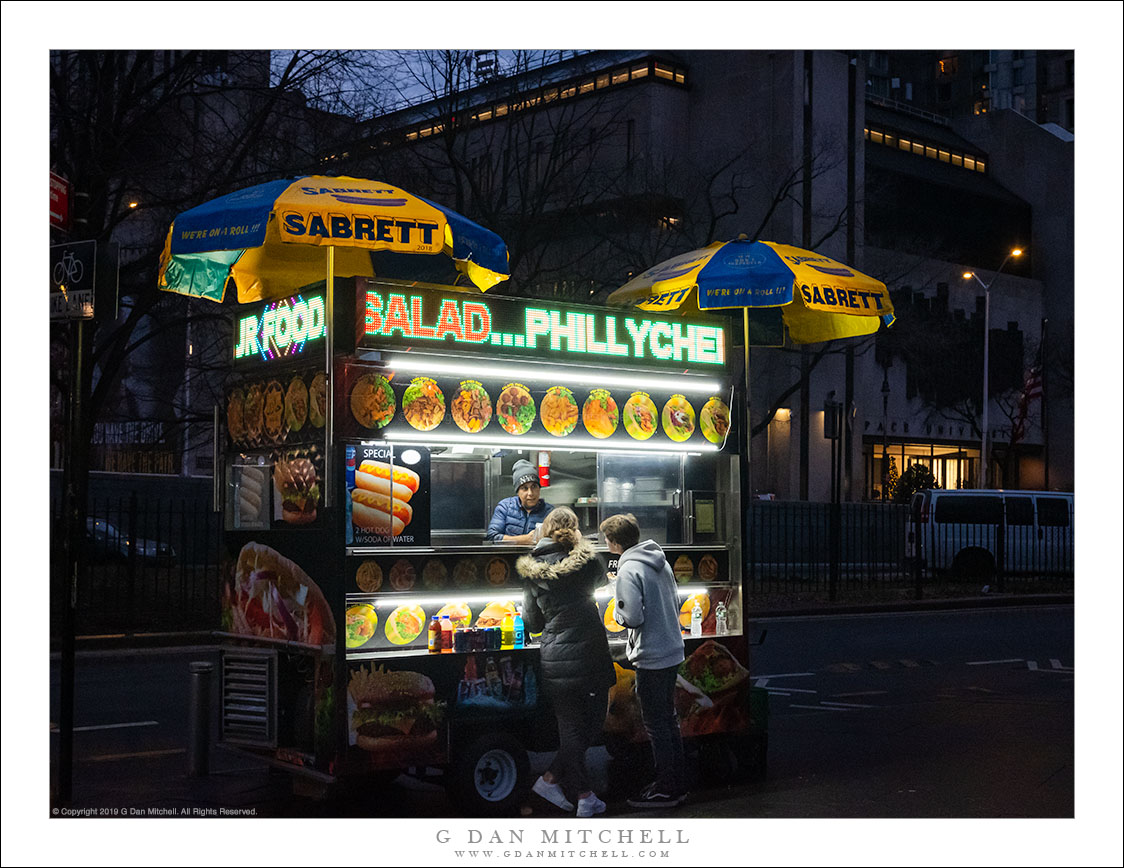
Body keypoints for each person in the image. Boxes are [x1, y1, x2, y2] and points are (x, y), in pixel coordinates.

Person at [516, 507, 615, 817]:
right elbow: (602, 580)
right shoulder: (586, 562)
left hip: (555, 655)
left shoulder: (532, 571)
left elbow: (532, 624)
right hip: (591, 650)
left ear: (545, 529)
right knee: (594, 721)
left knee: (570, 727)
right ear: (574, 529)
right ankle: (584, 796)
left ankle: (551, 780)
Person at [601, 512, 687, 809]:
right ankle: (677, 782)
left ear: (613, 543)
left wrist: (615, 612)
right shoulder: (659, 561)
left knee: (655, 723)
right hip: (672, 649)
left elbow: (632, 617)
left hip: (651, 655)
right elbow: (674, 602)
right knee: (669, 720)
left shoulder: (628, 570)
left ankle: (665, 788)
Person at [487, 459, 553, 544]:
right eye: (524, 488)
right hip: (508, 556)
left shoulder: (550, 512)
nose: (530, 493)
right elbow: (492, 537)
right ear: (518, 491)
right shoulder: (505, 507)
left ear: (539, 489)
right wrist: (525, 539)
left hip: (539, 557)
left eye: (534, 486)